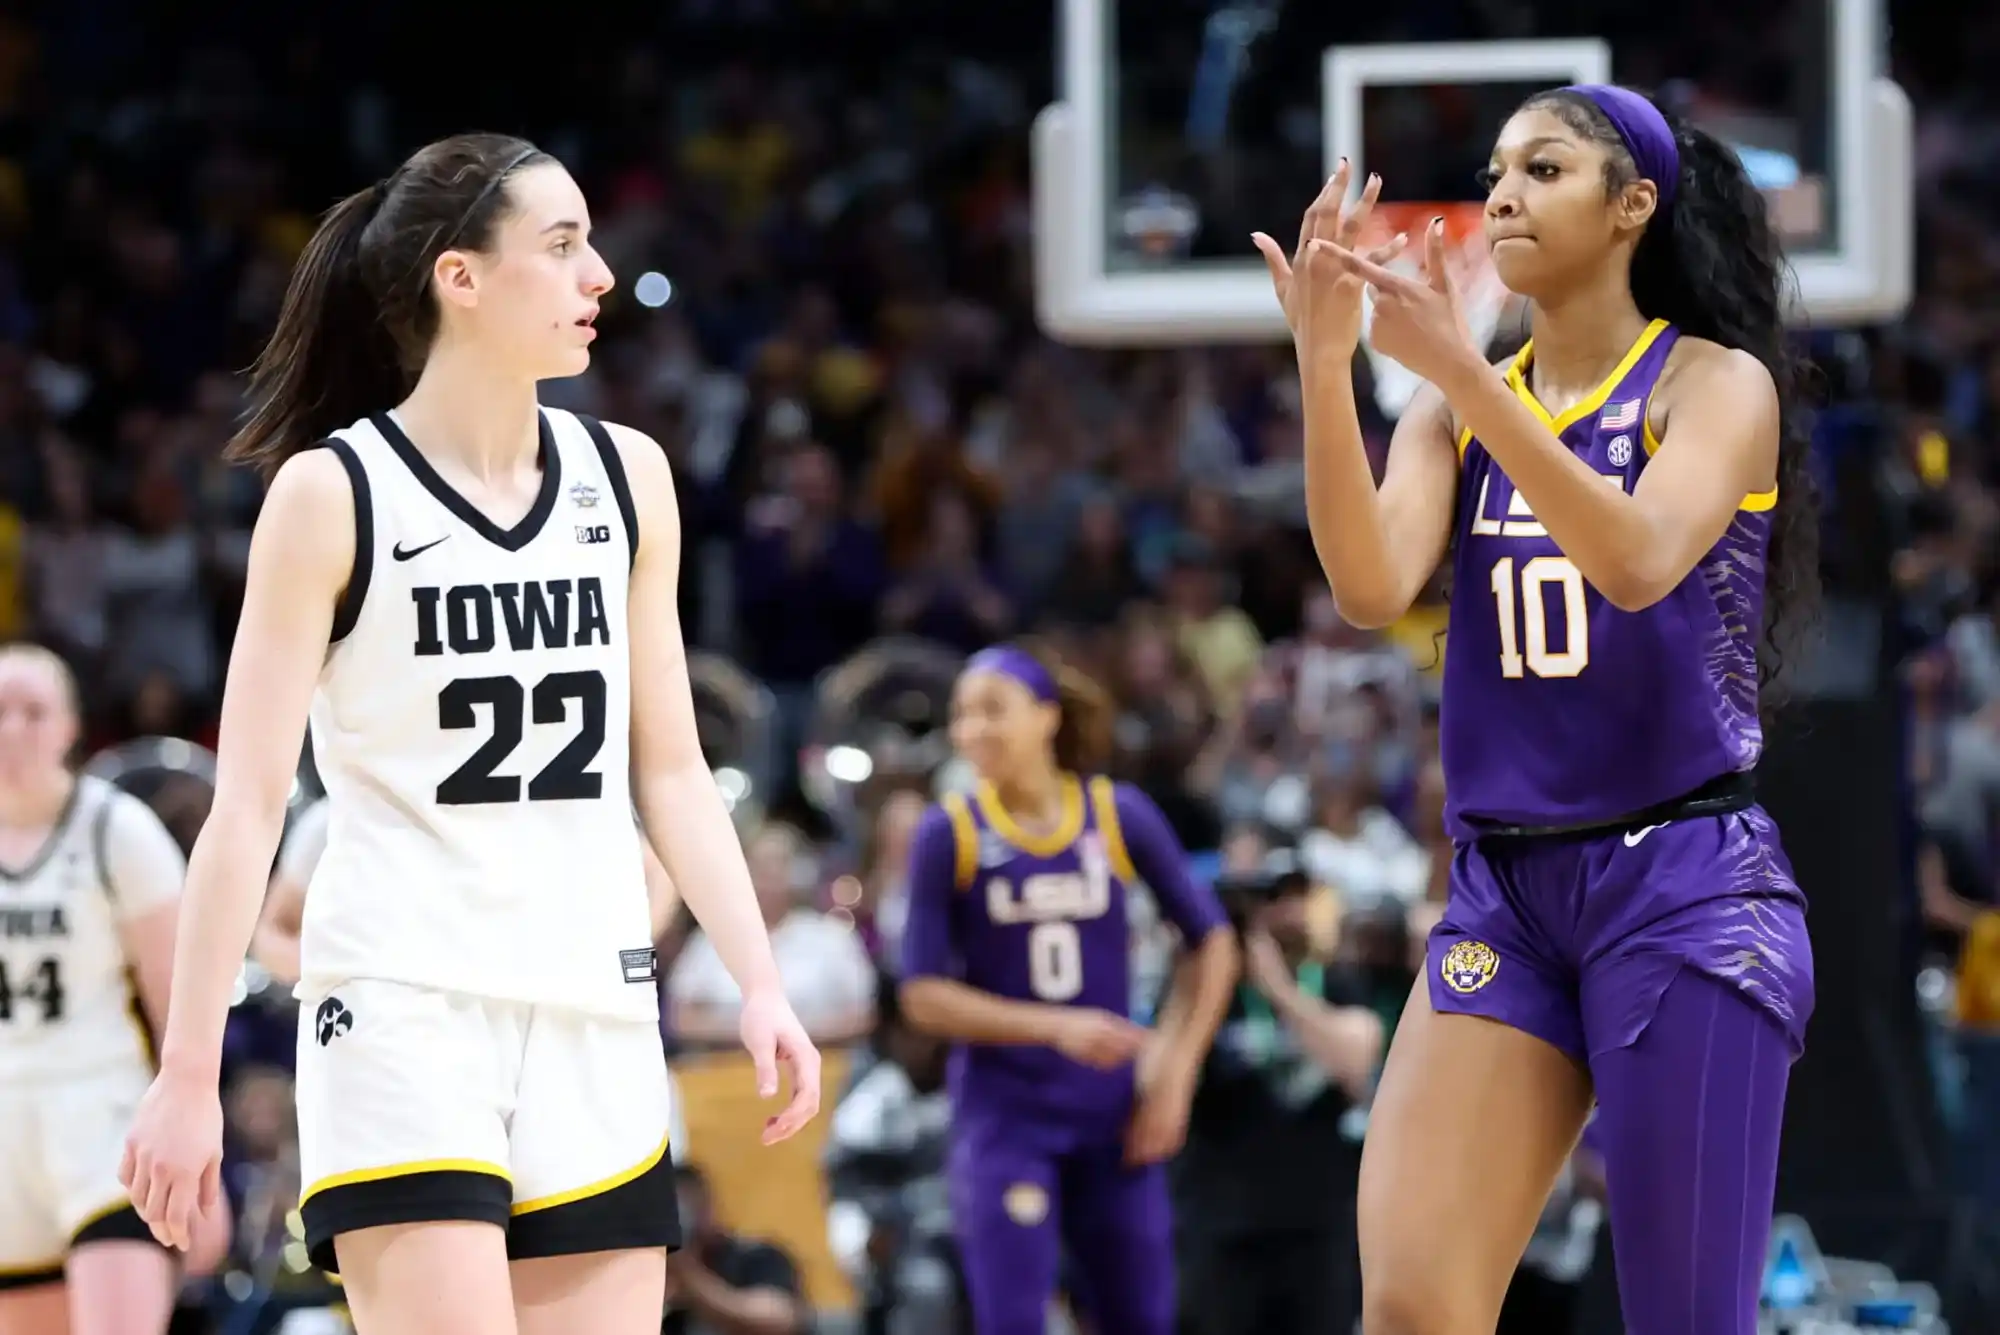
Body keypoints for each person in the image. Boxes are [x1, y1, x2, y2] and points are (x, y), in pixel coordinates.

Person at [117, 133, 822, 1335]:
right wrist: (187, 1072)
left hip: (593, 1003)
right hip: (404, 1003)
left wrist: (759, 978)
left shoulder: (628, 478)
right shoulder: (333, 494)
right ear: (462, 278)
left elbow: (668, 767)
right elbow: (244, 808)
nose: (599, 275)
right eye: (562, 247)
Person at [1252, 85, 1817, 1334]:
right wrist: (1323, 361)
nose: (1500, 192)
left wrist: (1460, 369)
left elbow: (1632, 559)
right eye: (1495, 169)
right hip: (1503, 894)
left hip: (1681, 883)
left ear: (1632, 208)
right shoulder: (1453, 402)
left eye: (1543, 169)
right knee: (1408, 1304)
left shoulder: (1715, 385)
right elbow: (1364, 586)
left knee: (1681, 1317)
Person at [899, 644, 1239, 1335]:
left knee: (1142, 1316)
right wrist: (1054, 1026)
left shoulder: (1117, 814)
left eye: (992, 711)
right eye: (962, 716)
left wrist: (1176, 1067)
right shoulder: (950, 831)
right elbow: (922, 994)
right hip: (1006, 1114)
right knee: (1015, 1318)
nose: (972, 731)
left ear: (1047, 717)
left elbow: (1215, 942)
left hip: (1113, 1109)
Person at [0, 643, 226, 1335]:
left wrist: (200, 1141)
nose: (13, 729)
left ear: (71, 727)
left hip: (102, 1119)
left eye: (34, 711)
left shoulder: (117, 829)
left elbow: (174, 995)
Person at [1173, 859, 1384, 1335]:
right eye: (1271, 901)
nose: (1287, 913)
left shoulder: (1338, 982)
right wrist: (1204, 977)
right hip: (1222, 1225)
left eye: (1296, 897)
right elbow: (1163, 1078)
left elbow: (1356, 1061)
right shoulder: (1209, 993)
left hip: (1316, 1228)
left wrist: (1279, 989)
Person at [251, 795, 684, 989]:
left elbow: (656, 869)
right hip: (385, 1030)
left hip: (534, 1007)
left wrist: (619, 954)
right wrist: (342, 967)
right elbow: (269, 933)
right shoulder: (337, 819)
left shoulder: (521, 801)